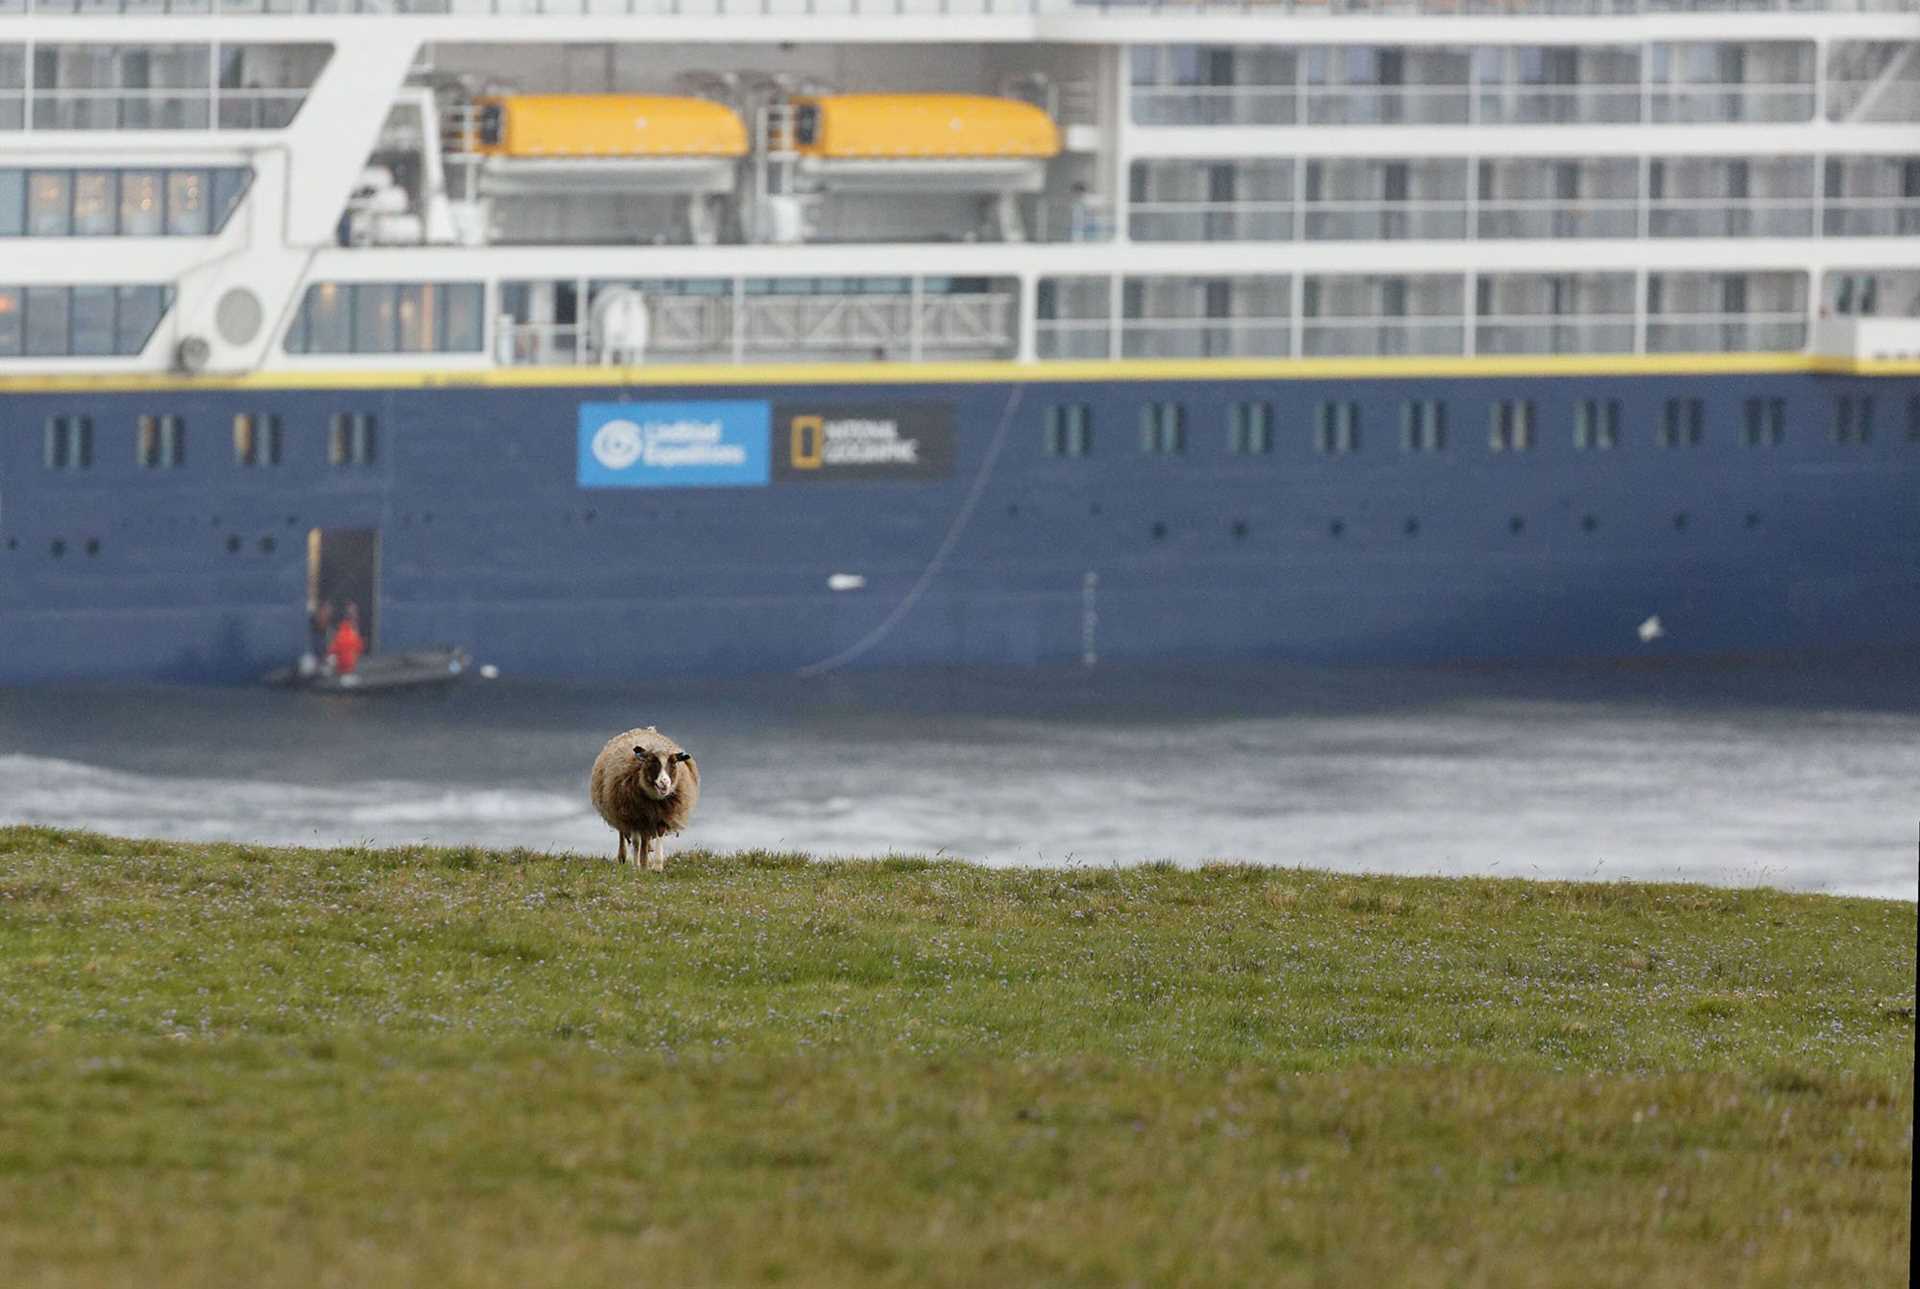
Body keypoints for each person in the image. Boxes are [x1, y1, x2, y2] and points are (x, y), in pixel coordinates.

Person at [328, 602, 365, 676]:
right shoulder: (341, 631)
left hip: (355, 669)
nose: (353, 615)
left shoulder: (357, 631)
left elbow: (360, 650)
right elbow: (332, 653)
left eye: (355, 612)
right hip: (342, 671)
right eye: (350, 613)